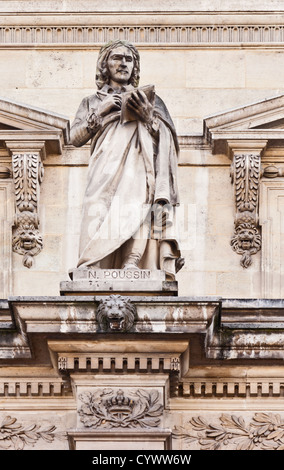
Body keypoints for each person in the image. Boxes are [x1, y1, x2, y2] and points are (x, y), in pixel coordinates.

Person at [70, 39, 184, 280]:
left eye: (128, 59)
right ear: (105, 65)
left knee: (137, 206)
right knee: (96, 206)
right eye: (116, 58)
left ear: (135, 67)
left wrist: (148, 116)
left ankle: (131, 262)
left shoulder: (152, 101)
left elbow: (167, 139)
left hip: (139, 164)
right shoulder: (91, 101)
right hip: (104, 166)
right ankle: (92, 263)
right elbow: (75, 138)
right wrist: (103, 109)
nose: (123, 63)